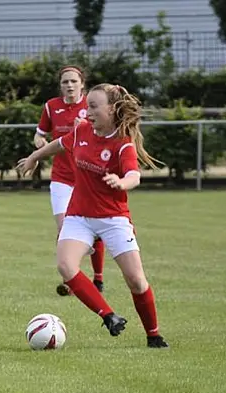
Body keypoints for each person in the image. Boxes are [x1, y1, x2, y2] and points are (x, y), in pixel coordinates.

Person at [18, 83, 169, 348]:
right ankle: (109, 316)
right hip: (79, 216)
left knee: (136, 280)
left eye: (93, 106)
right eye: (87, 105)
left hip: (114, 219)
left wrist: (122, 183)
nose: (87, 111)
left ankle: (153, 335)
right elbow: (58, 145)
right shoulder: (82, 131)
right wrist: (35, 156)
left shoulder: (123, 144)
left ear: (112, 110)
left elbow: (134, 175)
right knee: (66, 267)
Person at [34, 65, 106, 296]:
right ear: (60, 85)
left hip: (88, 177)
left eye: (73, 81)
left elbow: (104, 134)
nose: (69, 85)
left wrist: (85, 129)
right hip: (62, 178)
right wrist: (39, 143)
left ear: (82, 84)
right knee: (65, 229)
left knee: (97, 228)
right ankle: (68, 281)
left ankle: (98, 277)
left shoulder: (91, 106)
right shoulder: (51, 106)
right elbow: (40, 133)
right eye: (65, 82)